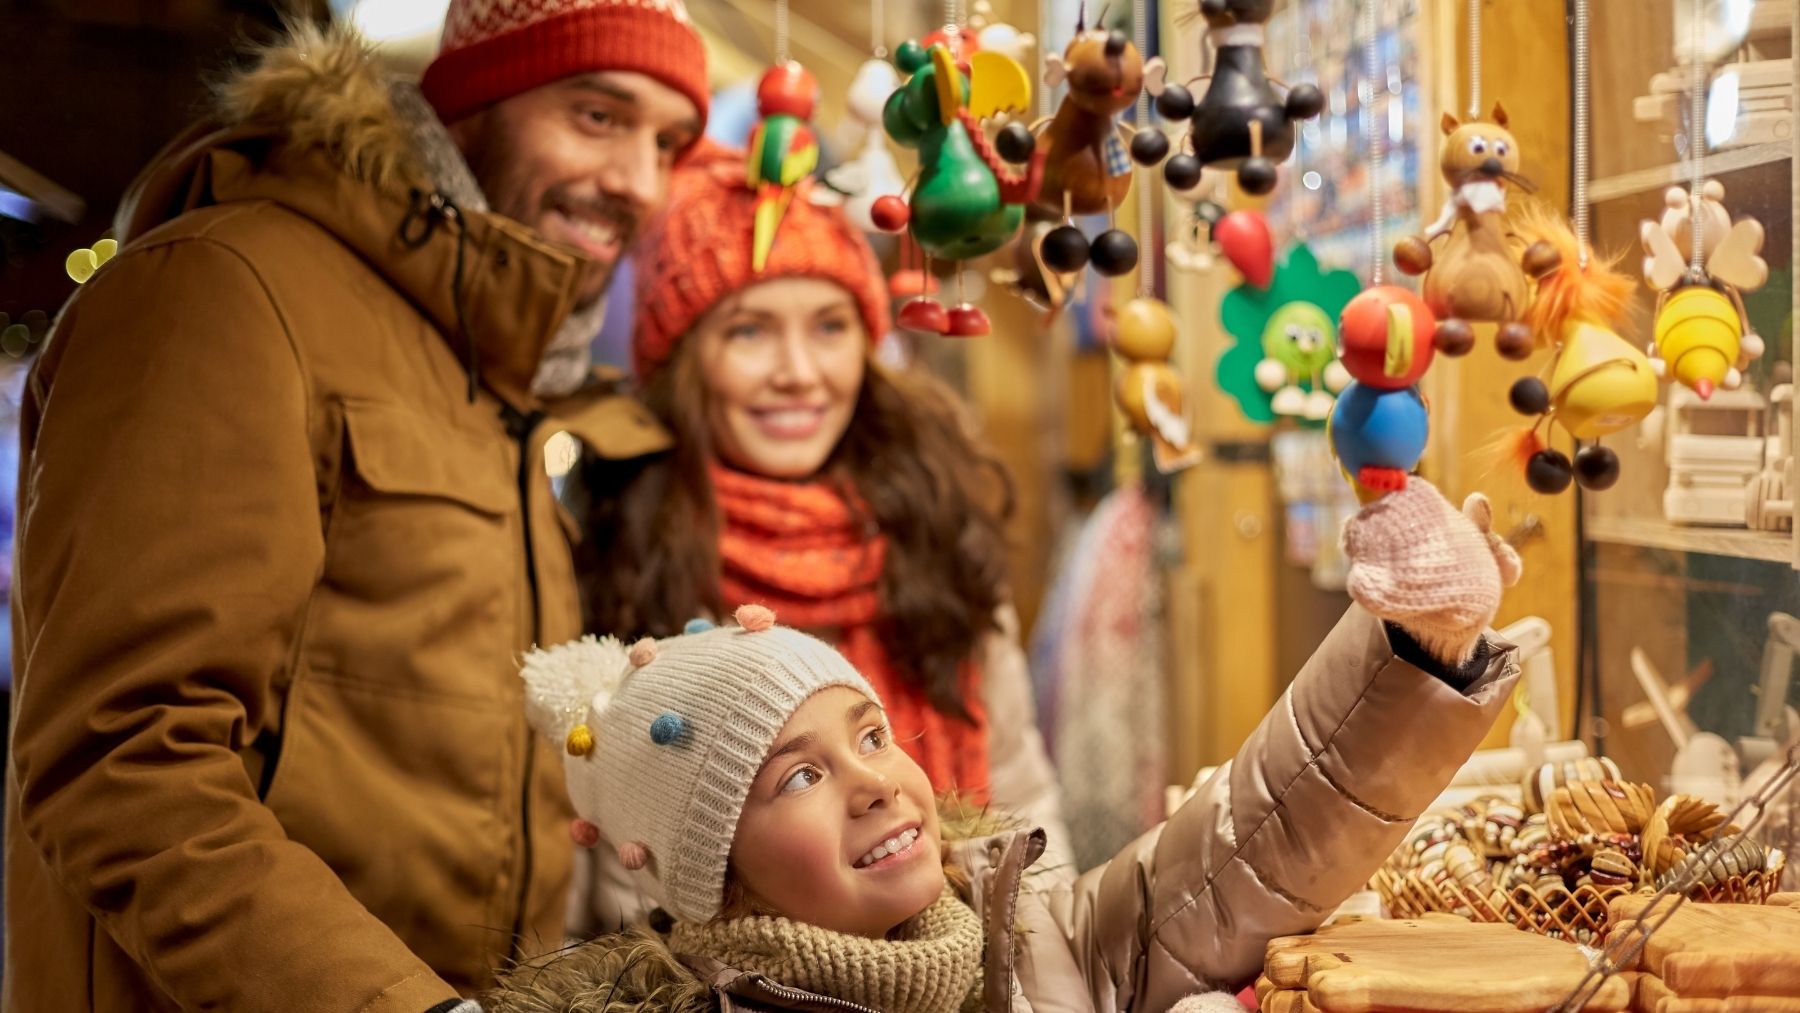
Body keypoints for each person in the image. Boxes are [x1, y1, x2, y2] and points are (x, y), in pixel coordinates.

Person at [4, 1, 709, 1009]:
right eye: (597, 115)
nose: (639, 181)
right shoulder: (224, 289)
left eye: (670, 142)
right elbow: (124, 756)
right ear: (476, 105)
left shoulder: (495, 370)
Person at [496, 479, 1523, 1013]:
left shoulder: (1043, 942)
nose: (872, 783)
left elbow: (1251, 840)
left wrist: (1410, 651)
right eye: (799, 774)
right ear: (714, 875)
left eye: (870, 733)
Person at [567, 145, 1069, 928]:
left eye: (830, 325)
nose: (800, 371)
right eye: (750, 332)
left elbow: (1020, 793)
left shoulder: (931, 518)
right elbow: (613, 887)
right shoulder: (624, 552)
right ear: (681, 359)